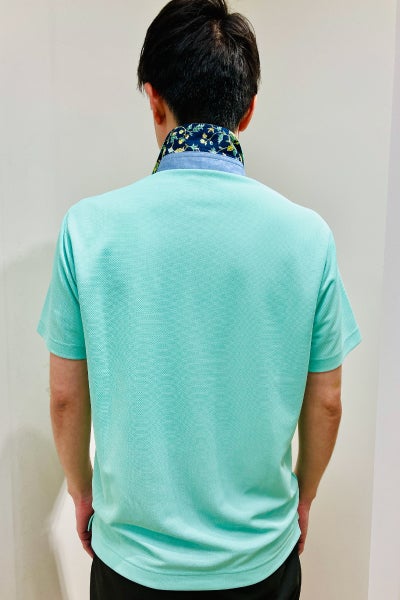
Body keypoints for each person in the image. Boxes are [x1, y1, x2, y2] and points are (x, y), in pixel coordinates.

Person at [37, 1, 361, 598]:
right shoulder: (308, 237)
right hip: (260, 560)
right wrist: (304, 497)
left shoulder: (87, 229)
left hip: (133, 562)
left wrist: (81, 493)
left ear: (153, 99)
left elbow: (64, 398)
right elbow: (328, 402)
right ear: (249, 109)